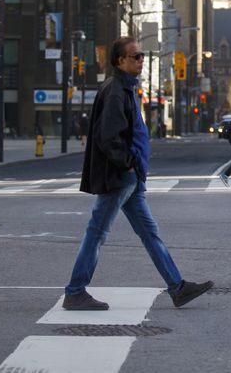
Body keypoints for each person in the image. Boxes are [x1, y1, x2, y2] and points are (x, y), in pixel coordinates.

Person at [63, 36, 213, 311]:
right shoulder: (116, 90)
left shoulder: (126, 87)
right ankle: (75, 291)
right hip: (119, 177)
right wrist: (128, 163)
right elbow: (107, 136)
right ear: (121, 60)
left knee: (149, 233)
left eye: (142, 56)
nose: (141, 60)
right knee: (97, 233)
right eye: (136, 56)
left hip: (131, 178)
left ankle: (177, 287)